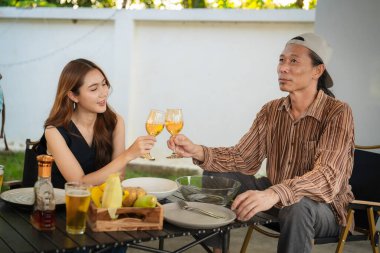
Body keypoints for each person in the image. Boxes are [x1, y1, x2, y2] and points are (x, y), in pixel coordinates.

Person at [167, 33, 355, 253]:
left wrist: (275, 193)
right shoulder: (271, 110)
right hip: (275, 198)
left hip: (323, 208)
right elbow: (244, 159)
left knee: (297, 205)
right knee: (216, 172)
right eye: (281, 60)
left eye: (293, 61)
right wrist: (198, 151)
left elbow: (328, 176)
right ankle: (217, 250)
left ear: (317, 70)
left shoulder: (338, 112)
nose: (283, 68)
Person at [36, 58, 156, 189]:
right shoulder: (54, 132)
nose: (104, 93)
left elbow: (119, 177)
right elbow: (79, 183)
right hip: (63, 205)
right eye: (93, 89)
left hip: (100, 204)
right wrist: (128, 155)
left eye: (104, 84)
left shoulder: (115, 122)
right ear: (73, 96)